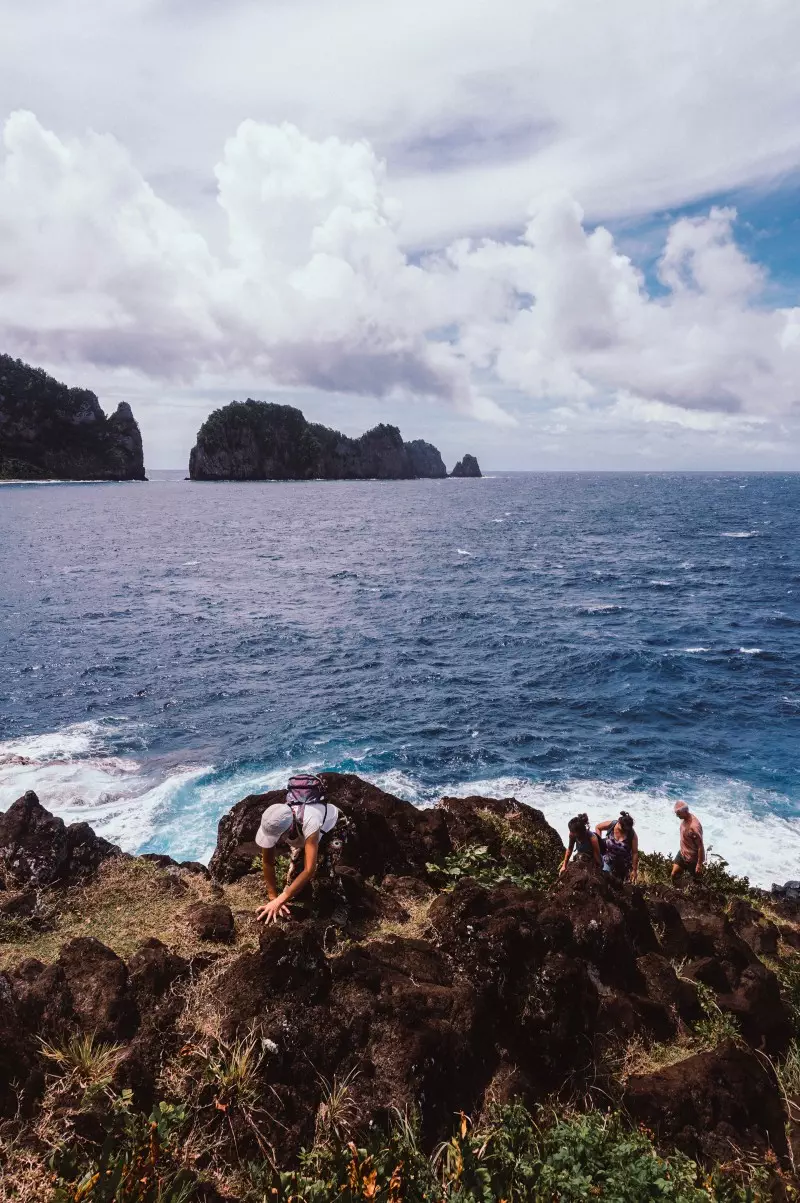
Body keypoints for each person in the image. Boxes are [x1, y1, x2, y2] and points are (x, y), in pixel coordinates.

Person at [253, 774, 340, 924]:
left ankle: (342, 906)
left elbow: (309, 869)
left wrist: (281, 899)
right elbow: (267, 861)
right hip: (303, 834)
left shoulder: (310, 820)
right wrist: (274, 898)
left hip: (332, 828)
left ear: (287, 831)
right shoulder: (274, 821)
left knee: (326, 872)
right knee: (294, 882)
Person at [595, 811, 638, 882]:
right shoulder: (612, 824)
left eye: (627, 829)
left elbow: (635, 852)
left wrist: (634, 870)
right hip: (608, 859)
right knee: (604, 879)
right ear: (619, 822)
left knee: (621, 884)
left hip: (624, 863)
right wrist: (599, 842)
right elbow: (598, 827)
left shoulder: (632, 834)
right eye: (624, 828)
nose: (625, 830)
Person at [671, 800, 704, 882]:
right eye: (676, 813)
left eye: (678, 814)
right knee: (674, 874)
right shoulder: (685, 819)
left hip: (692, 859)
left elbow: (700, 846)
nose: (676, 816)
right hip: (682, 853)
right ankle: (676, 892)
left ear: (685, 812)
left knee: (696, 882)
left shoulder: (694, 826)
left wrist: (699, 864)